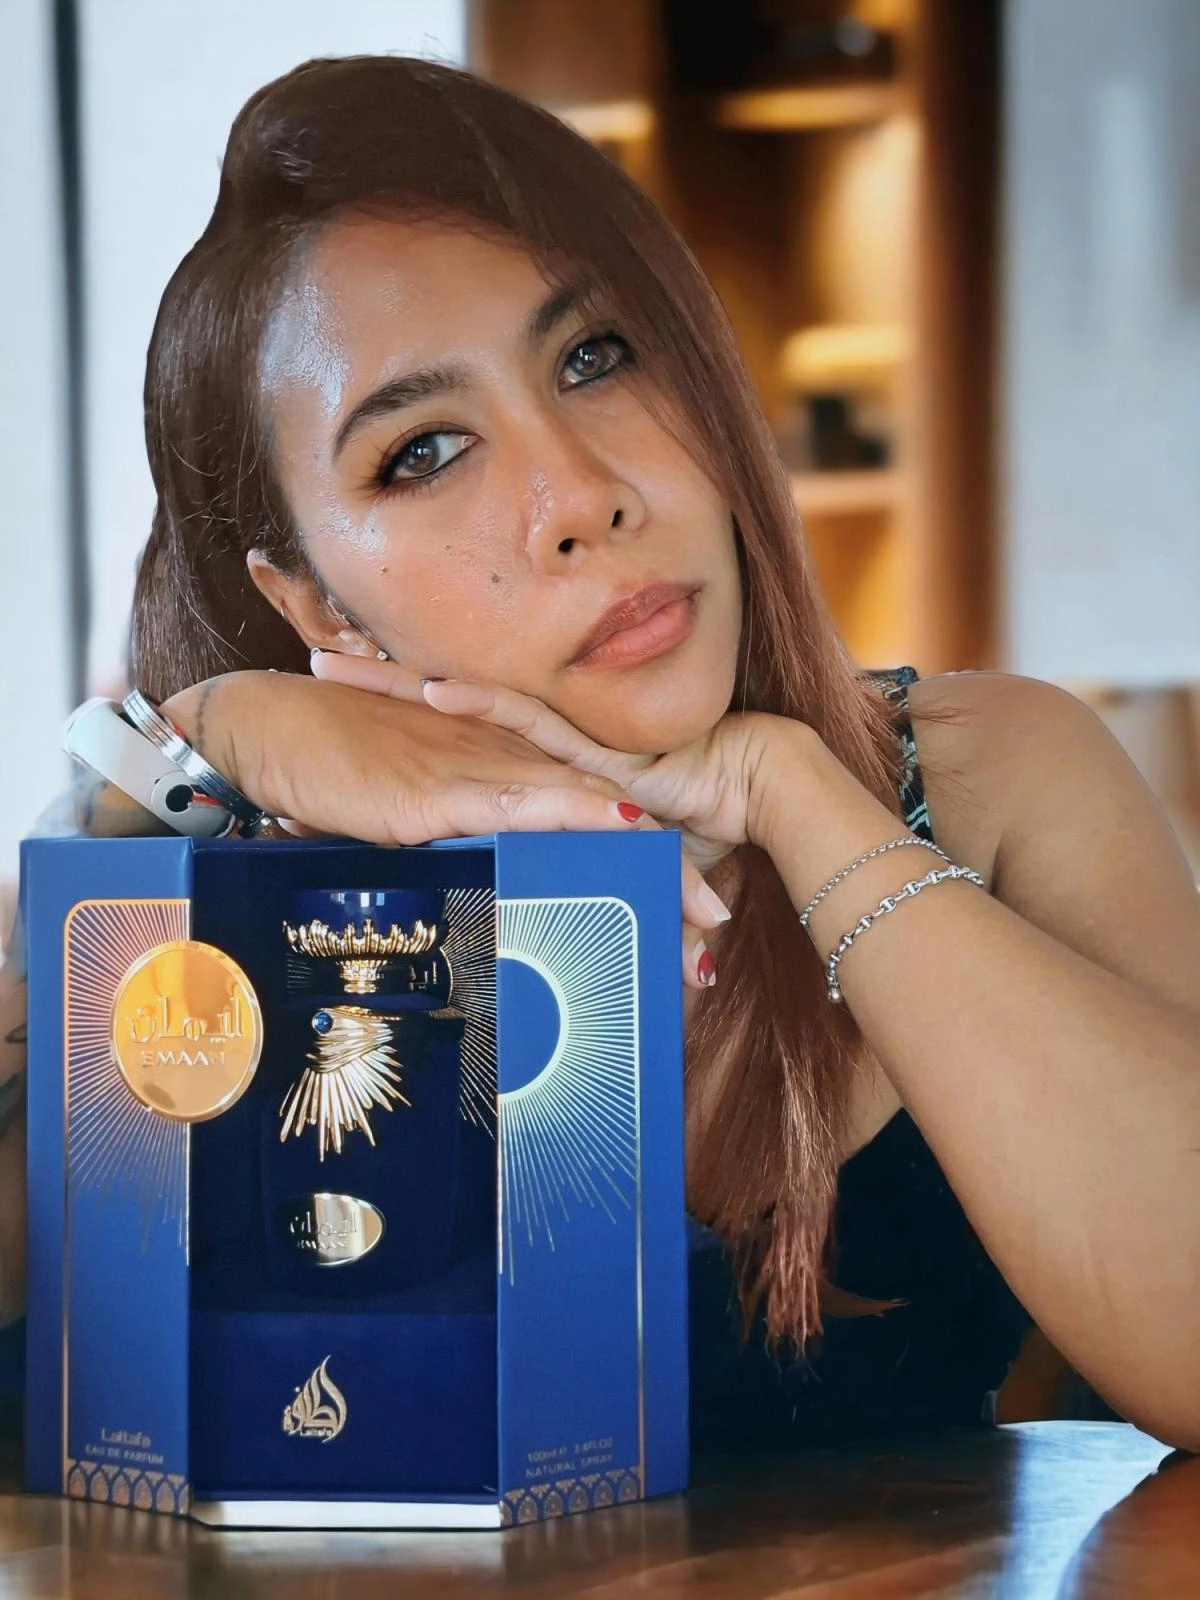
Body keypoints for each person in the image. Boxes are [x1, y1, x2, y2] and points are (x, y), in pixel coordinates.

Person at [9, 53, 1200, 1452]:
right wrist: (202, 746)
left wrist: (794, 793)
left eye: (595, 357)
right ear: (321, 606)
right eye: (425, 451)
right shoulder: (215, 884)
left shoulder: (992, 779)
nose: (582, 494)